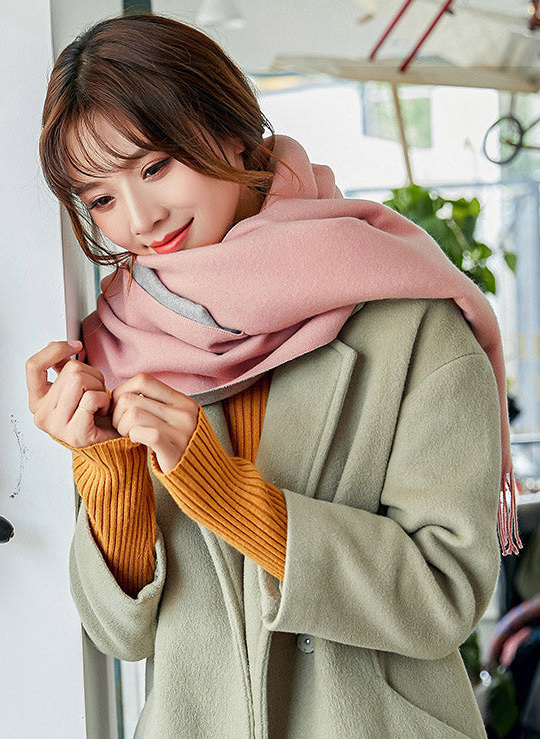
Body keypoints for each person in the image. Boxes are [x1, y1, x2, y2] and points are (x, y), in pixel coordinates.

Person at [25, 13, 520, 738]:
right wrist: (109, 471)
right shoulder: (120, 345)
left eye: (155, 166)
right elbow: (120, 635)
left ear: (231, 130)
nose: (140, 218)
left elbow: (445, 594)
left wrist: (227, 494)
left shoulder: (409, 318)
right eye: (100, 198)